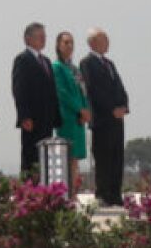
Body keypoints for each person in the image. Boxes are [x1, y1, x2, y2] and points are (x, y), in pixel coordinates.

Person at [80, 29, 130, 208]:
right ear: (93, 42)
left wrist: (124, 106)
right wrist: (111, 110)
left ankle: (116, 193)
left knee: (117, 156)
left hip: (117, 119)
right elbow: (93, 90)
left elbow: (119, 87)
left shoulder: (110, 64)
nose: (107, 43)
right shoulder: (87, 63)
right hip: (102, 119)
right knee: (103, 157)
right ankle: (103, 193)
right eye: (104, 40)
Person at [10, 22, 59, 177]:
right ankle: (28, 192)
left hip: (47, 118)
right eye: (40, 36)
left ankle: (44, 192)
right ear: (28, 39)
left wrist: (56, 117)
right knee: (31, 157)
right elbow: (19, 89)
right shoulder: (22, 59)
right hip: (32, 119)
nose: (43, 39)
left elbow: (52, 91)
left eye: (44, 36)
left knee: (45, 157)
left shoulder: (46, 61)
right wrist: (24, 116)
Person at [51, 31, 91, 192]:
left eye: (71, 42)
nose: (69, 46)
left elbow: (83, 91)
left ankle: (74, 192)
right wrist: (79, 109)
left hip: (79, 119)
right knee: (67, 155)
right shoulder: (57, 67)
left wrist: (86, 110)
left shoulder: (75, 69)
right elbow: (62, 92)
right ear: (58, 46)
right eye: (65, 42)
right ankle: (65, 192)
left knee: (76, 158)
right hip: (67, 116)